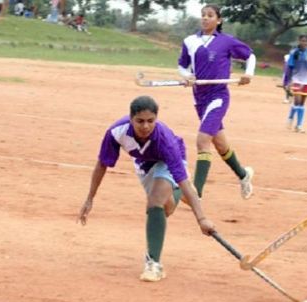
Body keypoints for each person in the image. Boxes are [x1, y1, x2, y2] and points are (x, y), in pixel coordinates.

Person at [77, 96, 215, 282]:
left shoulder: (165, 141)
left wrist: (202, 219)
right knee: (166, 208)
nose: (145, 126)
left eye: (150, 121)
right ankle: (175, 195)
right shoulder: (117, 132)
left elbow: (183, 180)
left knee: (155, 202)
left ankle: (153, 264)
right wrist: (89, 198)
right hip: (143, 164)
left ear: (156, 120)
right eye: (140, 121)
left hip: (168, 161)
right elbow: (102, 164)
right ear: (131, 118)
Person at [177, 4, 256, 200]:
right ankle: (243, 175)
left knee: (203, 140)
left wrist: (248, 74)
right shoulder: (190, 41)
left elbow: (250, 56)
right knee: (221, 145)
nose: (205, 18)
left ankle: (196, 192)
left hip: (218, 96)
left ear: (218, 20)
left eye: (210, 15)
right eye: (203, 15)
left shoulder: (226, 42)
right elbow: (182, 65)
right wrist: (188, 76)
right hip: (200, 98)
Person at [283, 35, 307, 133]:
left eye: (306, 41)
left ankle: (292, 119)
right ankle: (299, 126)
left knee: (301, 103)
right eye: (302, 41)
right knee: (297, 101)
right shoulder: (294, 53)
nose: (304, 43)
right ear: (299, 41)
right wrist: (289, 81)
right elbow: (289, 67)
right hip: (296, 80)